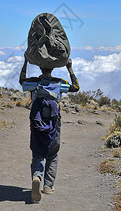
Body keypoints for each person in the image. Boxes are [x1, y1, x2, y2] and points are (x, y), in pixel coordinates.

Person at [19, 56, 80, 202]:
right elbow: (76, 87)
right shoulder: (59, 83)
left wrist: (26, 61)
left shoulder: (34, 82)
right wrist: (69, 67)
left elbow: (22, 81)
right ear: (53, 68)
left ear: (40, 67)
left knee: (37, 152)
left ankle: (36, 177)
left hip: (36, 123)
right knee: (53, 154)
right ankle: (48, 186)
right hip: (54, 124)